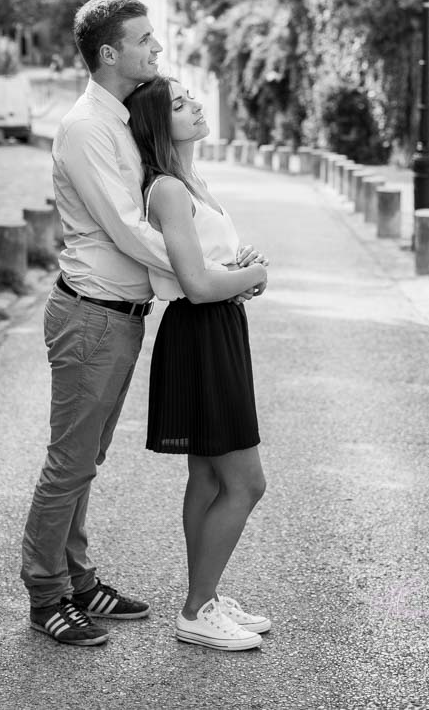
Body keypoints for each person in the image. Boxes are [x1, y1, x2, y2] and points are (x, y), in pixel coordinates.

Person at [20, 0, 260, 648]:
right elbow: (130, 230)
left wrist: (203, 269)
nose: (155, 50)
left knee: (87, 460)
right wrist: (203, 273)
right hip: (91, 315)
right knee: (69, 463)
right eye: (145, 41)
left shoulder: (120, 120)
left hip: (121, 317)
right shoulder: (85, 128)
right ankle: (47, 594)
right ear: (109, 53)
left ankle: (77, 576)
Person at [125, 75, 270, 652]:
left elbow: (212, 273)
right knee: (246, 482)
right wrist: (252, 276)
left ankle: (205, 597)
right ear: (160, 125)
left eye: (190, 98)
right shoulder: (166, 190)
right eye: (180, 105)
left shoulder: (192, 181)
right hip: (201, 331)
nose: (195, 107)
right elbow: (195, 283)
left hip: (216, 326)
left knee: (208, 476)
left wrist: (237, 273)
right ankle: (195, 609)